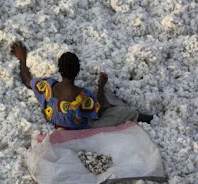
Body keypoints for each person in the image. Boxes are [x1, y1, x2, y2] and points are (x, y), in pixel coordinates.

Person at [11, 41, 153, 130]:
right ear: (78, 71)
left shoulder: (47, 87)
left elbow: (27, 80)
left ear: (59, 69)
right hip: (80, 128)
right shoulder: (82, 96)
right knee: (122, 111)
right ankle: (149, 119)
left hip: (56, 123)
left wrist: (22, 59)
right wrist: (101, 87)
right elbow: (98, 112)